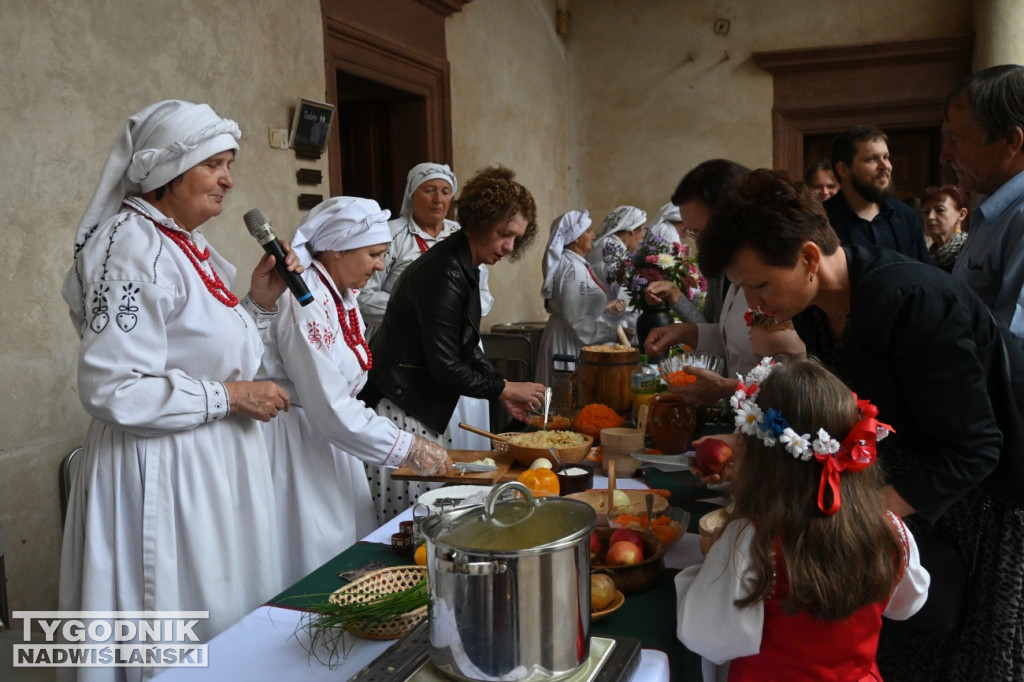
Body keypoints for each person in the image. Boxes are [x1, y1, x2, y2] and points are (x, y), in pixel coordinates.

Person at [696, 167, 1024, 681]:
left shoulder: (911, 301)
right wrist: (758, 445)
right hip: (902, 491)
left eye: (758, 286)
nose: (756, 307)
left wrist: (862, 519)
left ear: (808, 258)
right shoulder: (812, 311)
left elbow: (976, 448)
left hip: (976, 497)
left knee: (954, 653)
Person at [59, 100, 300, 679]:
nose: (228, 178)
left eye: (229, 163)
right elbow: (115, 387)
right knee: (178, 638)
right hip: (161, 476)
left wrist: (258, 306)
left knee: (223, 626)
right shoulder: (132, 247)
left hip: (205, 466)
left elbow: (204, 349)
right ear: (169, 172)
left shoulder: (183, 246)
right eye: (214, 164)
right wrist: (234, 398)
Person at [677, 360, 929, 681]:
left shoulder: (752, 538)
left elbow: (708, 636)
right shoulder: (891, 528)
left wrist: (712, 563)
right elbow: (907, 605)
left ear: (759, 454)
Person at [258, 197, 453, 585]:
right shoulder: (304, 300)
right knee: (313, 548)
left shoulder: (340, 293)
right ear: (335, 249)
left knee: (345, 535)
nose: (381, 265)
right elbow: (328, 406)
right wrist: (408, 447)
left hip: (331, 435)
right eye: (374, 254)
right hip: (298, 440)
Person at [359, 165, 545, 523]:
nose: (509, 247)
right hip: (400, 407)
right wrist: (504, 385)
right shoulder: (445, 272)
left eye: (517, 239)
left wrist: (501, 389)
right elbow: (445, 367)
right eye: (505, 234)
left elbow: (466, 344)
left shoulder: (463, 263)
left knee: (431, 520)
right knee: (413, 523)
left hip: (414, 405)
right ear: (479, 220)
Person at [357, 162, 493, 450]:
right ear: (411, 195)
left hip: (456, 344)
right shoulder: (391, 235)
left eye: (445, 192)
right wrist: (421, 312)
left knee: (463, 427)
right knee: (413, 428)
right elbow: (363, 295)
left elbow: (482, 294)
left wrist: (453, 315)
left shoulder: (463, 236)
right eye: (429, 190)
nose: (438, 199)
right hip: (401, 346)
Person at [643, 159, 754, 404]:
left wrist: (729, 388)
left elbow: (792, 369)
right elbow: (733, 338)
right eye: (691, 233)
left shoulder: (766, 276)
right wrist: (684, 332)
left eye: (702, 232)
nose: (698, 245)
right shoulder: (728, 271)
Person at [943, 64, 1024, 344]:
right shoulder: (995, 210)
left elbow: (1013, 352)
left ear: (1010, 141)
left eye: (955, 139)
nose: (945, 155)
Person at [535, 211, 623, 385]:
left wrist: (603, 306)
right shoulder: (574, 270)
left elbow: (572, 304)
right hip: (570, 339)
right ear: (576, 237)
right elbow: (575, 319)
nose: (593, 235)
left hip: (565, 333)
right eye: (588, 231)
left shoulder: (570, 264)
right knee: (568, 397)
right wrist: (612, 333)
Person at [823, 126, 931, 262]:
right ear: (843, 169)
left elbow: (925, 272)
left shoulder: (905, 216)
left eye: (886, 157)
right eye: (871, 159)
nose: (885, 166)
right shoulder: (820, 221)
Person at [921, 184, 969, 271]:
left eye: (939, 210)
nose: (930, 217)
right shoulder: (926, 257)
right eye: (926, 212)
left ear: (961, 214)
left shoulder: (969, 250)